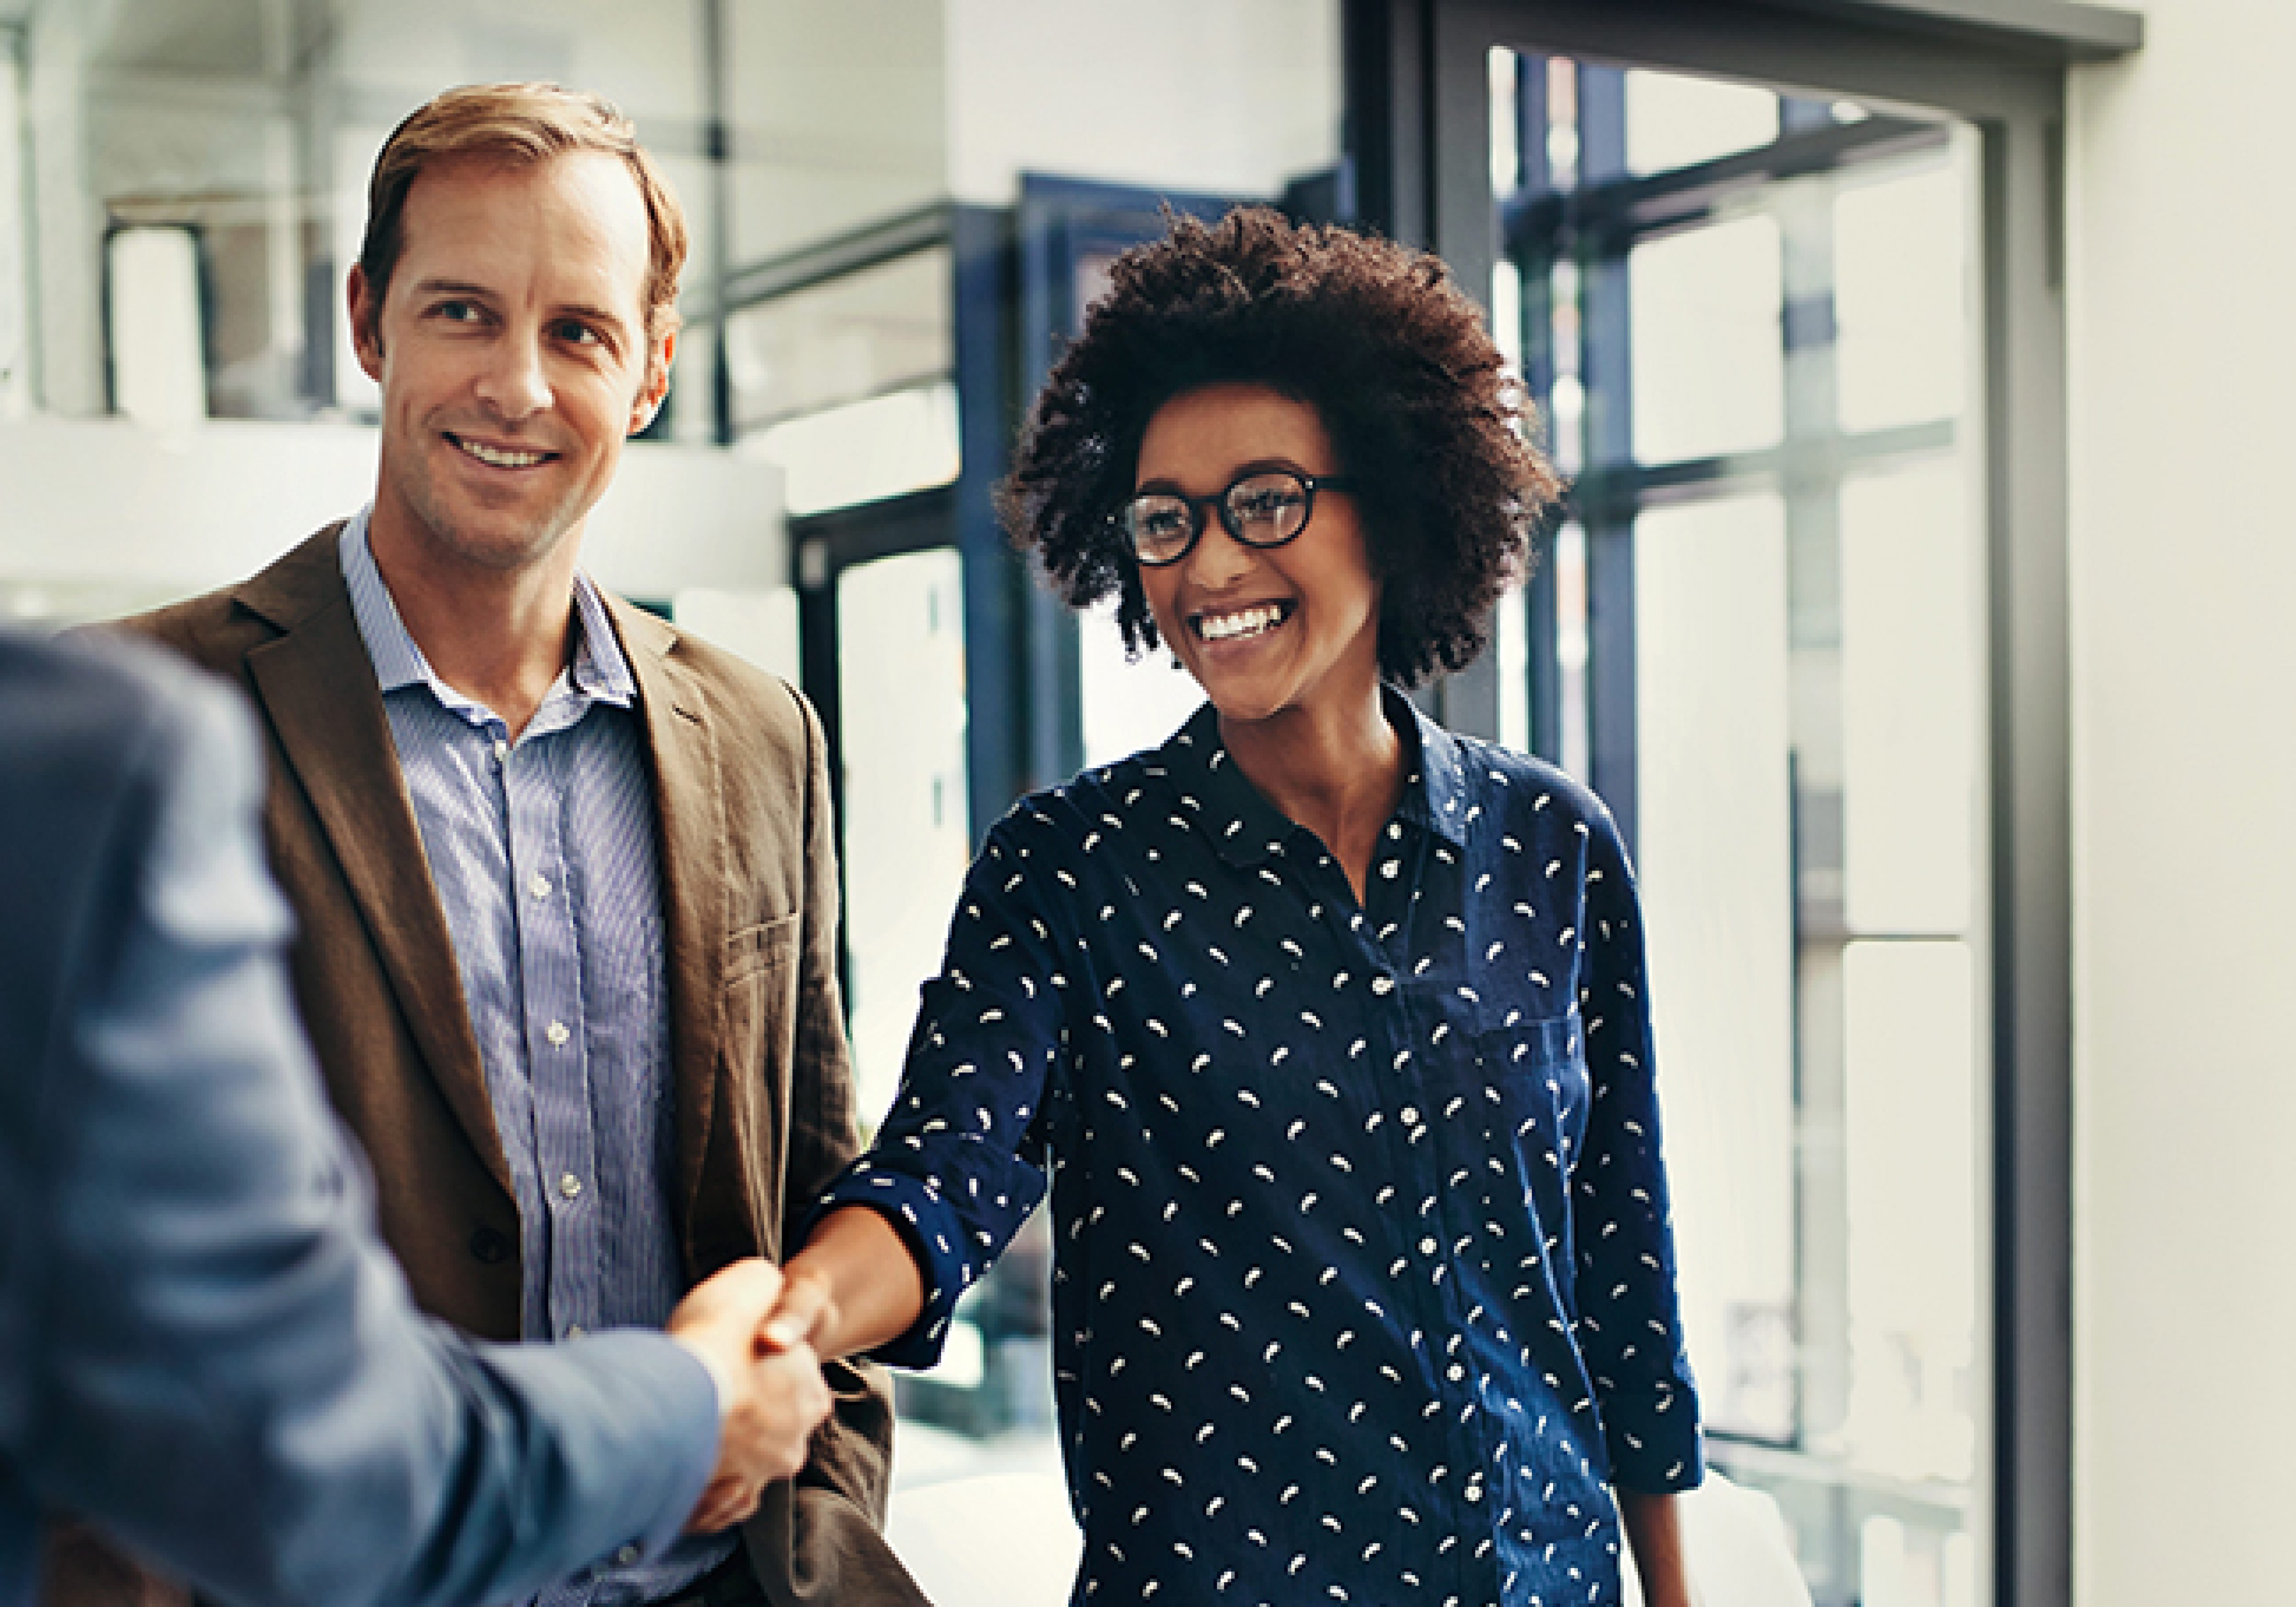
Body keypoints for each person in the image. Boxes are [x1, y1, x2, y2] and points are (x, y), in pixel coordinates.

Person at [769, 208, 1705, 1607]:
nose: (1209, 568)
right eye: (1165, 520)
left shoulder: (1552, 848)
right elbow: (937, 1184)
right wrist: (794, 1317)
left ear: (1389, 500)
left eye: (1267, 500)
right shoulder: (1071, 873)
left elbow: (1626, 1294)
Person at [99, 83, 919, 1607]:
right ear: (369, 324)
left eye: (581, 334)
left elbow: (816, 1193)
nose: (518, 387)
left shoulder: (761, 735)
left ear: (656, 367)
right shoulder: (146, 723)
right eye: (464, 312)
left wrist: (811, 1522)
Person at [0, 626, 833, 1607]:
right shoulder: (104, 749)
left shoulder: (766, 726)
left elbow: (817, 1159)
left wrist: (824, 1512)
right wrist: (696, 1403)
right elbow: (316, 1468)